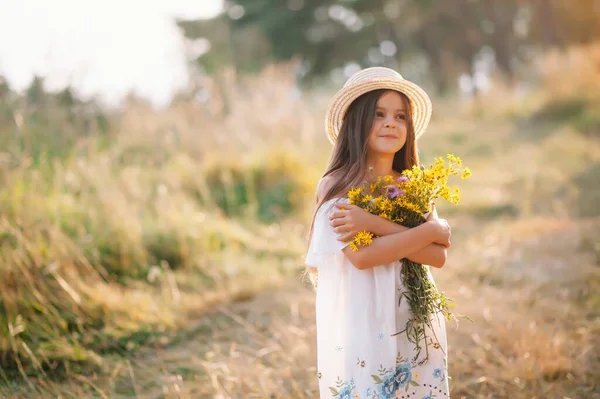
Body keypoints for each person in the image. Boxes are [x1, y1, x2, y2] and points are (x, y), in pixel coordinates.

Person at [305, 67, 452, 399]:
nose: (391, 123)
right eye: (378, 114)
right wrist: (429, 231)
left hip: (414, 315)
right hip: (365, 317)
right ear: (356, 123)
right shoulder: (338, 185)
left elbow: (438, 256)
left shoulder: (413, 184)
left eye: (400, 116)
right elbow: (363, 257)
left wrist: (374, 224)